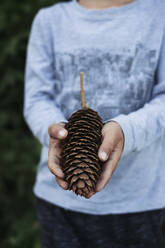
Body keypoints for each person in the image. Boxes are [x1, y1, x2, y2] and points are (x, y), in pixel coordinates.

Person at [23, 0, 165, 247]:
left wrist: (125, 131)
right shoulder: (49, 21)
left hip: (138, 201)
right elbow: (37, 99)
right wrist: (56, 131)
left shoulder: (159, 15)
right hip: (59, 201)